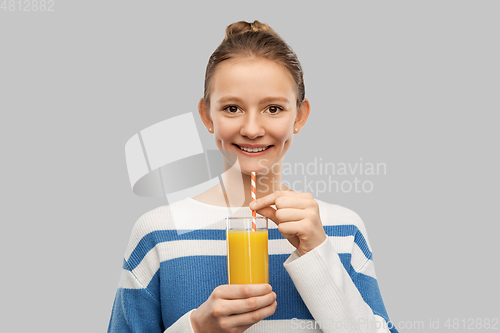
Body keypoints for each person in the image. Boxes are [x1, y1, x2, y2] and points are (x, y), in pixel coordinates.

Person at [108, 20, 398, 333]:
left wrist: (317, 249)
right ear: (207, 115)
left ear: (299, 116)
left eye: (273, 109)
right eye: (232, 108)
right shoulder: (158, 234)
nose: (251, 129)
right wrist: (197, 328)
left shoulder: (342, 229)